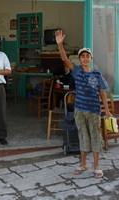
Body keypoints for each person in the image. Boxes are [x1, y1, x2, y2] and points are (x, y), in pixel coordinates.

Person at [56, 30, 112, 178]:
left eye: (88, 56)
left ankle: (96, 166)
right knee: (82, 136)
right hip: (80, 109)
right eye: (83, 56)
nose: (85, 58)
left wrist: (106, 110)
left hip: (94, 110)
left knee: (95, 137)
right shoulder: (77, 71)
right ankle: (83, 164)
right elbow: (64, 58)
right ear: (79, 59)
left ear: (91, 58)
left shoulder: (97, 74)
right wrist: (60, 44)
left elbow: (102, 93)